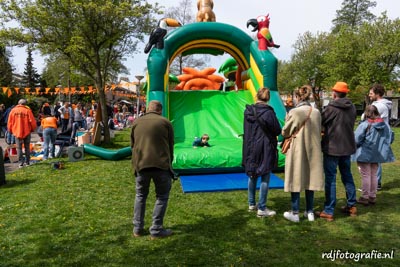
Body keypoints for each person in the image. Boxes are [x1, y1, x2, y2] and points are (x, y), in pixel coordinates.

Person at [131, 100, 175, 239]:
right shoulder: (165, 123)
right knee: (162, 197)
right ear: (160, 110)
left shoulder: (136, 122)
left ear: (147, 109)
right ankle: (156, 229)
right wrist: (169, 163)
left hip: (141, 164)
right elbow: (171, 145)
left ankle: (137, 228)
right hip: (161, 165)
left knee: (140, 196)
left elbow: (133, 145)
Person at [281, 85, 324, 222]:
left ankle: (295, 212)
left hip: (297, 149)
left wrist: (286, 119)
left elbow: (285, 132)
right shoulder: (316, 112)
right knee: (310, 179)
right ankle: (309, 211)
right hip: (313, 149)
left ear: (297, 97)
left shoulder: (295, 112)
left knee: (296, 178)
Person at [317, 82, 357, 221]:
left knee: (330, 179)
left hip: (332, 147)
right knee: (347, 176)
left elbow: (320, 121)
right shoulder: (351, 107)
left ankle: (329, 210)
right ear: (346, 93)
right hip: (347, 147)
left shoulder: (331, 108)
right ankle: (352, 205)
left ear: (334, 93)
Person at [242, 87, 281, 217]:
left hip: (250, 147)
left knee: (252, 174)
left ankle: (252, 203)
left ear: (256, 96)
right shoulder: (269, 112)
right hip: (265, 147)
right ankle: (262, 207)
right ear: (268, 98)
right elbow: (277, 130)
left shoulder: (248, 111)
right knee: (265, 174)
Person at [352, 105, 394, 205]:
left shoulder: (365, 125)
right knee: (373, 175)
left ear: (366, 113)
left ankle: (365, 197)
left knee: (366, 175)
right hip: (377, 153)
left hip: (365, 153)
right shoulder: (385, 125)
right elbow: (391, 137)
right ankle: (372, 196)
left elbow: (356, 139)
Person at [366, 84, 393, 190]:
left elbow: (368, 118)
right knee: (374, 159)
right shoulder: (377, 104)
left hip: (379, 135)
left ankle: (376, 184)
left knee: (375, 159)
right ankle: (375, 183)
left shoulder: (379, 106)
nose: (369, 95)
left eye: (371, 93)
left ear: (377, 94)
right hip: (379, 134)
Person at [7, 99, 37, 167]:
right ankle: (27, 162)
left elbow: (9, 122)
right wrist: (32, 129)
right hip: (27, 131)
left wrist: (11, 130)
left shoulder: (13, 111)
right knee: (27, 147)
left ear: (18, 103)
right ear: (25, 104)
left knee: (19, 148)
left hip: (17, 131)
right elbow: (32, 122)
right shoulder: (27, 111)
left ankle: (21, 163)